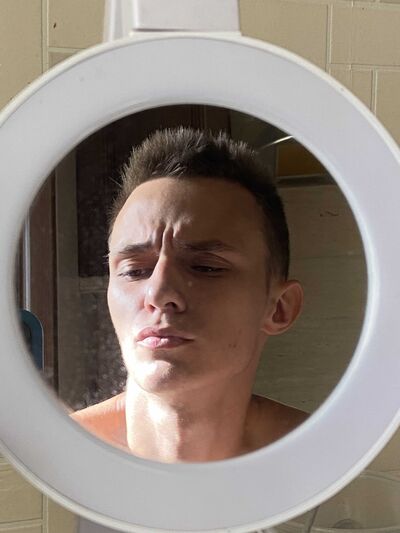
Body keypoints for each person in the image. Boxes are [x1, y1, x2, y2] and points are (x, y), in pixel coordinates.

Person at [71, 126, 307, 462]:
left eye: (206, 267)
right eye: (134, 271)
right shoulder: (45, 462)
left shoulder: (340, 464)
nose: (158, 293)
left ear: (279, 308)